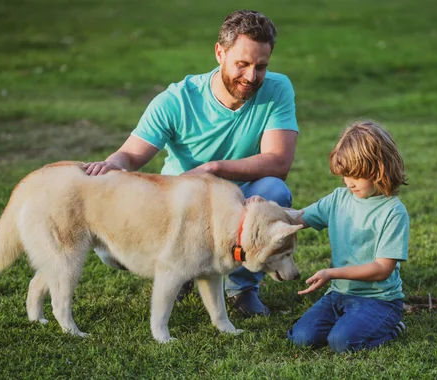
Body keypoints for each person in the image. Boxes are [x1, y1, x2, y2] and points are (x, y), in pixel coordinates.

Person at [83, 10, 299, 317]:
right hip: (179, 208)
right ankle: (182, 270)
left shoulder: (277, 89)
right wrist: (109, 165)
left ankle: (242, 287)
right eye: (242, 64)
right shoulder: (176, 100)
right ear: (219, 53)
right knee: (110, 255)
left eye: (260, 66)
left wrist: (214, 169)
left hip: (241, 201)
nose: (252, 76)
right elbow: (130, 155)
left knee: (274, 191)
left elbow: (279, 162)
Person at [286, 120, 409, 353]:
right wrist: (263, 211)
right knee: (301, 338)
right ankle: (347, 322)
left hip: (379, 300)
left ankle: (392, 327)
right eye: (345, 175)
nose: (348, 182)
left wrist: (331, 273)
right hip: (339, 295)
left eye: (356, 175)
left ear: (379, 168)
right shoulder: (338, 199)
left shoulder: (393, 211)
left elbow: (382, 269)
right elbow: (297, 218)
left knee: (342, 342)